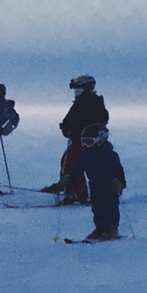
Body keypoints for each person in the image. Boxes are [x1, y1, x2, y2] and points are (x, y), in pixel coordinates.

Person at [46, 75, 107, 204]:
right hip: (77, 139)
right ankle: (70, 189)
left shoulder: (92, 103)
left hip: (85, 142)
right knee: (67, 162)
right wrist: (66, 127)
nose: (76, 92)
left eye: (78, 89)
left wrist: (76, 129)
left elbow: (99, 121)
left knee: (73, 164)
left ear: (87, 88)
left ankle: (78, 194)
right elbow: (70, 120)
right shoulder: (80, 103)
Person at [78, 125, 127, 242]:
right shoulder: (86, 156)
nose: (85, 145)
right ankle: (100, 228)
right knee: (97, 207)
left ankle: (111, 228)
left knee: (110, 207)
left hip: (109, 187)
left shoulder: (109, 155)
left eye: (89, 142)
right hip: (95, 186)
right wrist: (68, 177)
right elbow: (78, 169)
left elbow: (118, 170)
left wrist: (120, 182)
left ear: (100, 140)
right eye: (83, 142)